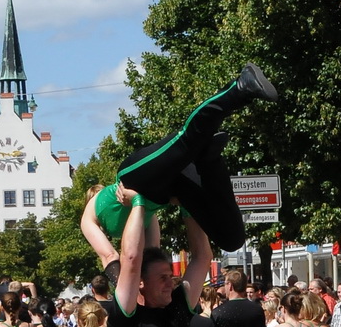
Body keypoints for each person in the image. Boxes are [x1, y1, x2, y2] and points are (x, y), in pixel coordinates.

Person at [109, 62, 277, 256]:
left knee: (185, 141)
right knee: (231, 239)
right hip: (169, 191)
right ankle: (208, 158)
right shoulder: (150, 248)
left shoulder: (90, 216)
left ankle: (239, 88)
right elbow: (154, 252)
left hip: (134, 181)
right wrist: (140, 202)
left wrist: (137, 198)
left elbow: (111, 256)